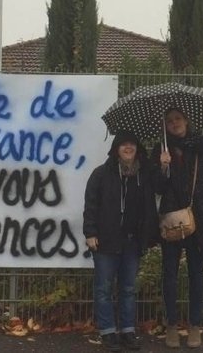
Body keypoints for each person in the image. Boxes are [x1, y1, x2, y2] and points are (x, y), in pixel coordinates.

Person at [83, 131, 159, 352]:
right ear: (116, 148)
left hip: (132, 243)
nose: (128, 147)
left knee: (128, 288)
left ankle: (127, 331)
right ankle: (107, 332)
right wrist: (90, 233)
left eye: (132, 144)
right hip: (105, 241)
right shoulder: (101, 174)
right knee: (104, 288)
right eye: (124, 144)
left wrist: (164, 166)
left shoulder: (143, 176)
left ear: (137, 148)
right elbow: (91, 206)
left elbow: (160, 191)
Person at [154, 108, 203, 349]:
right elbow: (158, 189)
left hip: (199, 218)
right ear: (165, 125)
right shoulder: (160, 149)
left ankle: (195, 325)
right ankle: (171, 324)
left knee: (196, 274)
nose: (174, 124)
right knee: (169, 274)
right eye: (169, 121)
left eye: (178, 119)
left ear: (187, 120)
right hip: (172, 219)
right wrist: (162, 167)